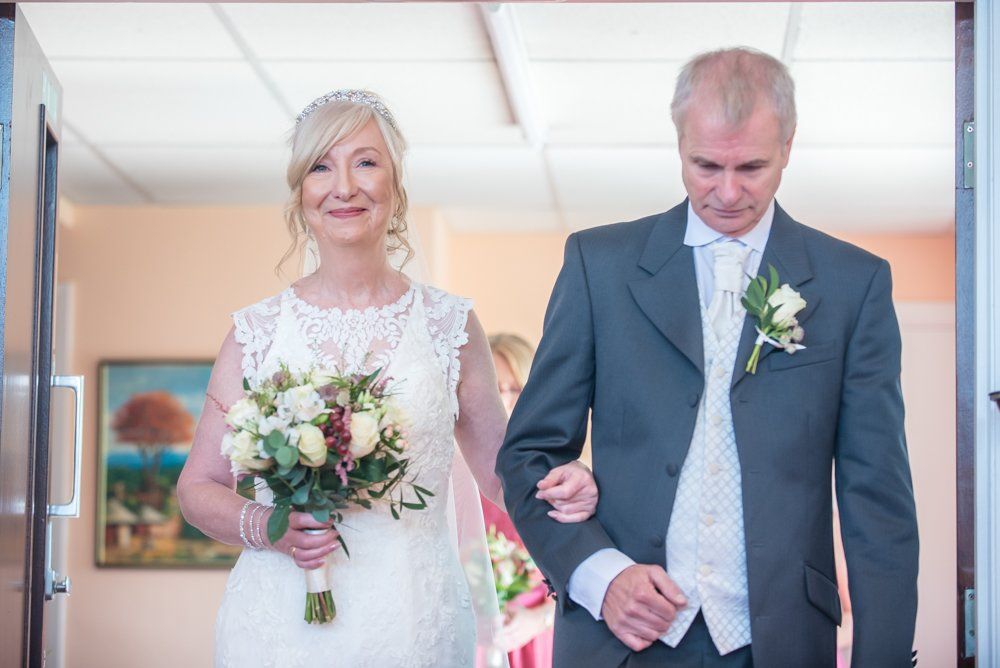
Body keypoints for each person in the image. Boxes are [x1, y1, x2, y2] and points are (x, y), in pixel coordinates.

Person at [497, 48, 919, 668]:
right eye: (705, 166)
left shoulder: (852, 285)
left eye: (751, 166)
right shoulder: (600, 267)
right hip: (621, 643)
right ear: (679, 144)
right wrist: (600, 575)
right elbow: (528, 455)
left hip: (779, 644)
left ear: (790, 145)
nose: (727, 192)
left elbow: (876, 498)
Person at [176, 89, 599, 667]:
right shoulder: (257, 332)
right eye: (321, 166)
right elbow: (198, 488)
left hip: (413, 617)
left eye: (366, 162)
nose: (343, 185)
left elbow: (503, 473)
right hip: (278, 623)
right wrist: (270, 527)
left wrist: (563, 489)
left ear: (395, 186)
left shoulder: (450, 325)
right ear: (302, 192)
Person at [481, 333, 595, 668]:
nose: (503, 399)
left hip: (543, 639)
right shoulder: (464, 481)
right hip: (483, 639)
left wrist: (540, 618)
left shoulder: (570, 479)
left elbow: (587, 570)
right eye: (495, 388)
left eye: (514, 388)